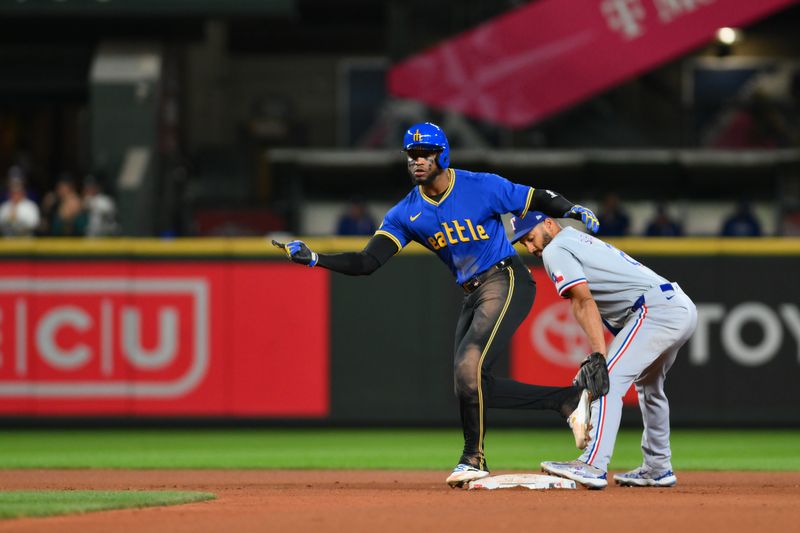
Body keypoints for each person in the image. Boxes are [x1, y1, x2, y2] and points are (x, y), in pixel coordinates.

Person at [273, 122, 605, 488]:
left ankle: (473, 458)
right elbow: (368, 262)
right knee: (470, 384)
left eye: (424, 153)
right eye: (411, 155)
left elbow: (536, 197)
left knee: (469, 366)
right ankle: (568, 400)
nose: (416, 160)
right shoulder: (405, 213)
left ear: (442, 155)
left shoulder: (480, 185)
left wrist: (571, 209)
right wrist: (317, 258)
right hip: (471, 292)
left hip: (505, 277)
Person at [511, 212, 697, 489]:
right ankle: (658, 466)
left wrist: (599, 355)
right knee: (650, 387)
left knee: (608, 378)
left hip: (654, 309)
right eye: (524, 244)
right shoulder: (576, 240)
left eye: (530, 237)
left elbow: (582, 301)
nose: (531, 248)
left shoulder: (556, 248)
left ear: (549, 224)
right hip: (676, 305)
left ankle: (593, 464)